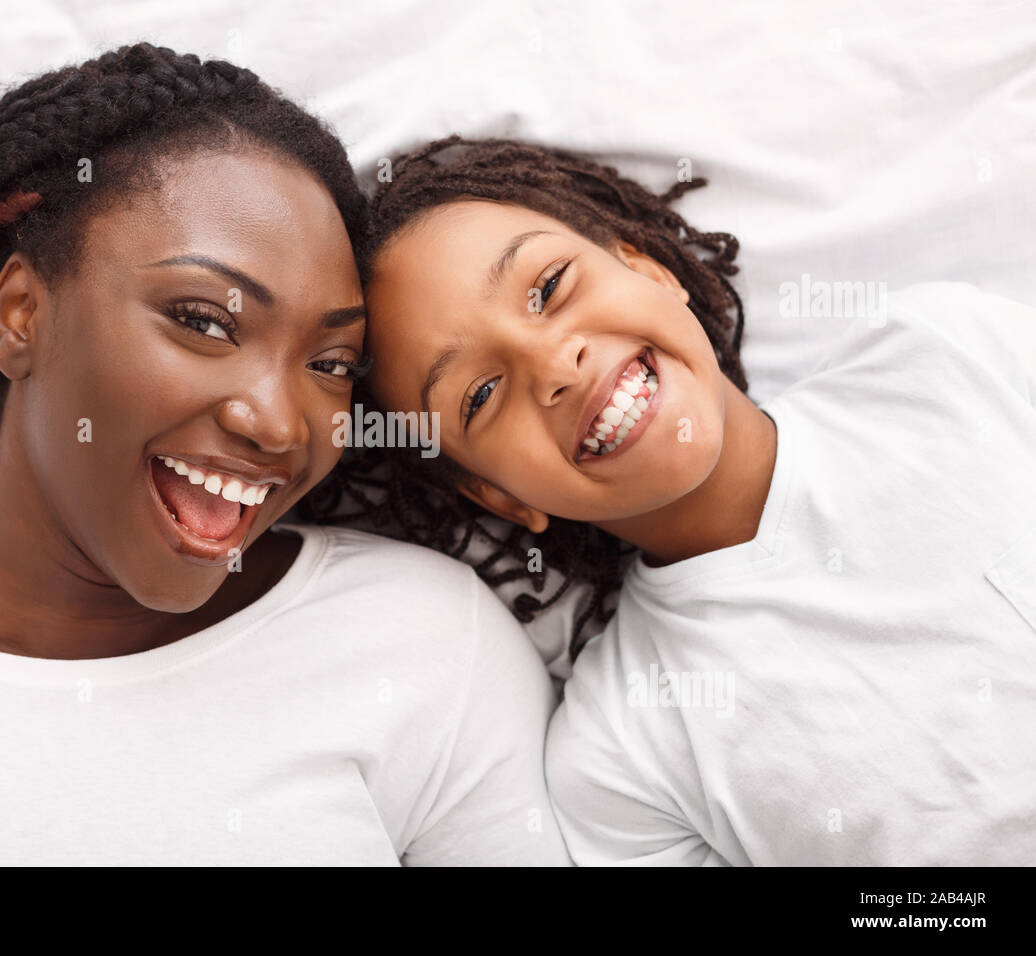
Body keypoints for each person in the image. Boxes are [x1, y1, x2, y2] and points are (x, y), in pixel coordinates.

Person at [0, 52, 569, 867]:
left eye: (331, 365)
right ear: (22, 313)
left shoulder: (423, 649)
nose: (279, 424)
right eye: (204, 321)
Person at [309, 134, 1036, 864]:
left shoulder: (947, 358)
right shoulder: (619, 760)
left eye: (550, 288)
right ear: (499, 496)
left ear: (649, 267)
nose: (556, 364)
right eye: (482, 394)